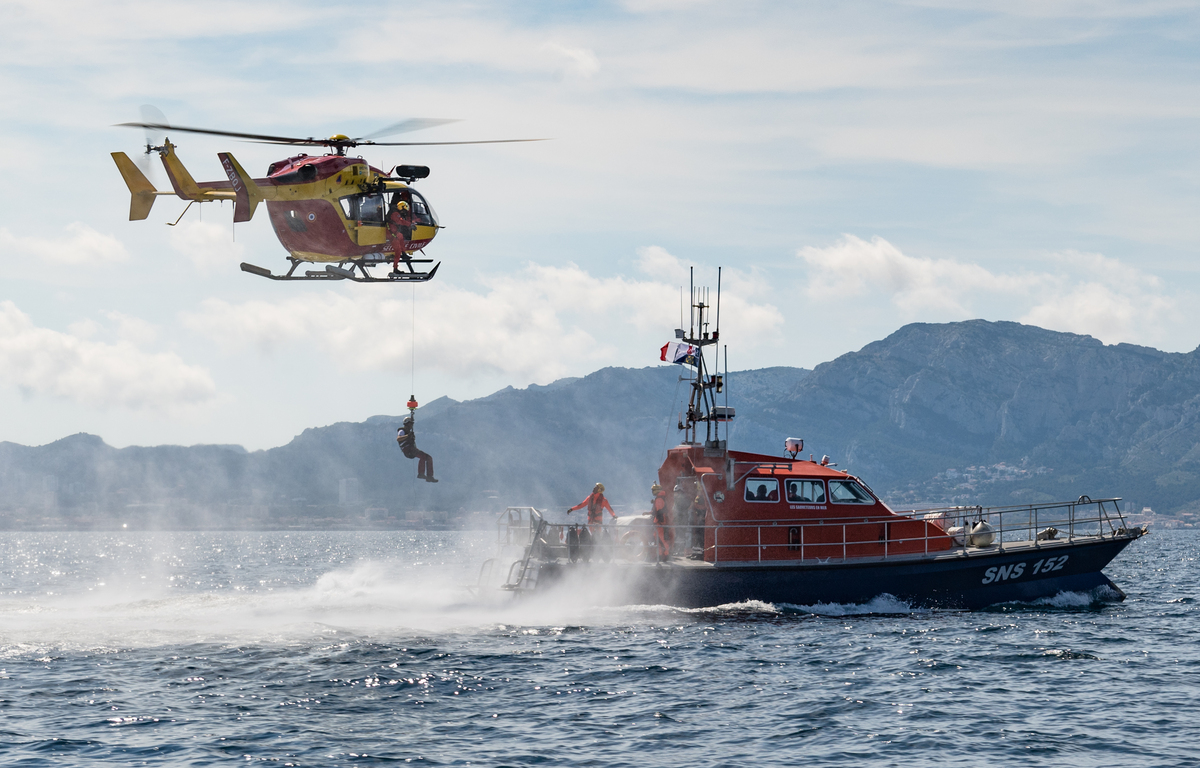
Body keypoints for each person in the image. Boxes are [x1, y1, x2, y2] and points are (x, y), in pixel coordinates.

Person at [396, 415, 437, 482]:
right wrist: (408, 436)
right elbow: (398, 438)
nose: (411, 425)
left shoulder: (409, 432)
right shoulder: (402, 431)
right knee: (423, 456)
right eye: (410, 424)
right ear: (407, 424)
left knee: (428, 458)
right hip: (408, 451)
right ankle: (421, 473)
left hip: (412, 450)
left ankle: (429, 476)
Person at [387, 192, 413, 275]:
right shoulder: (395, 213)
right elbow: (400, 221)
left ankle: (404, 253)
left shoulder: (395, 212)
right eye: (404, 210)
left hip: (394, 233)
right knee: (397, 251)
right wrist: (410, 225)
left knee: (401, 236)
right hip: (391, 234)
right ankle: (395, 269)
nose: (404, 212)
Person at [650, 482, 670, 562]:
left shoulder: (659, 499)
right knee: (658, 538)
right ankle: (660, 555)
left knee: (661, 539)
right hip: (659, 521)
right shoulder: (661, 498)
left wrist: (659, 521)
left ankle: (666, 554)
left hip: (659, 522)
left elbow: (659, 511)